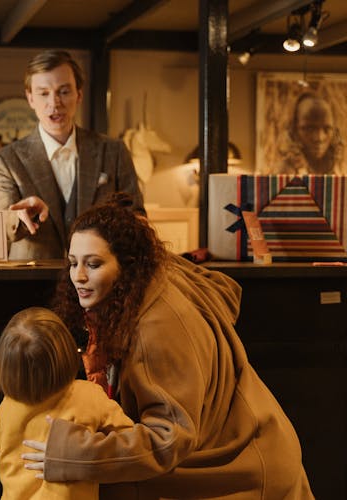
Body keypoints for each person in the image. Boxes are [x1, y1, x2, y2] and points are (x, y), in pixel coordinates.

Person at [21, 193, 314, 499]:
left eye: (93, 264)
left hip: (240, 470)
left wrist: (75, 453)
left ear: (127, 263)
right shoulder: (152, 273)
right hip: (251, 443)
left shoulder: (157, 328)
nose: (78, 276)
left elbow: (170, 437)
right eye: (72, 263)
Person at [0, 49, 145, 260]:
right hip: (31, 282)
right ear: (30, 98)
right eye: (43, 93)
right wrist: (19, 217)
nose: (54, 103)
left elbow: (136, 219)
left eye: (63, 91)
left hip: (101, 281)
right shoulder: (6, 160)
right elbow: (1, 226)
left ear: (79, 94)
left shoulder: (114, 151)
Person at [0, 306, 134, 499]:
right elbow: (130, 438)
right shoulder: (88, 395)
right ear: (66, 352)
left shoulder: (6, 407)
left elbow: (1, 448)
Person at [274, 91, 344, 175]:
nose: (319, 138)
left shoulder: (334, 167)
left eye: (327, 129)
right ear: (294, 131)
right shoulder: (286, 174)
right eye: (310, 129)